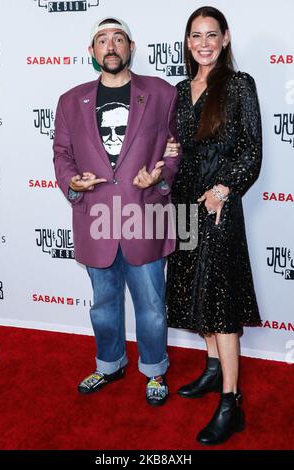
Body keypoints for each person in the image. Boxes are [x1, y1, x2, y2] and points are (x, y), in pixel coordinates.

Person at [53, 17, 180, 406]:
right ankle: (109, 364)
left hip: (146, 216)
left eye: (118, 39)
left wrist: (159, 179)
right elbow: (62, 155)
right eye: (102, 40)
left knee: (153, 307)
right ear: (92, 52)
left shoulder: (160, 93)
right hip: (96, 220)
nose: (111, 46)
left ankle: (155, 369)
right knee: (104, 306)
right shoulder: (70, 100)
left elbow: (174, 150)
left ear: (131, 46)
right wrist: (72, 183)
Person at [165, 6, 262, 444]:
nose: (203, 43)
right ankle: (211, 367)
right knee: (191, 291)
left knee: (220, 304)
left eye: (211, 35)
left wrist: (225, 188)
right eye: (195, 36)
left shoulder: (239, 86)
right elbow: (178, 149)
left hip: (218, 207)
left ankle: (231, 402)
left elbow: (252, 152)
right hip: (185, 206)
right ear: (187, 43)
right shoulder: (180, 89)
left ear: (224, 38)